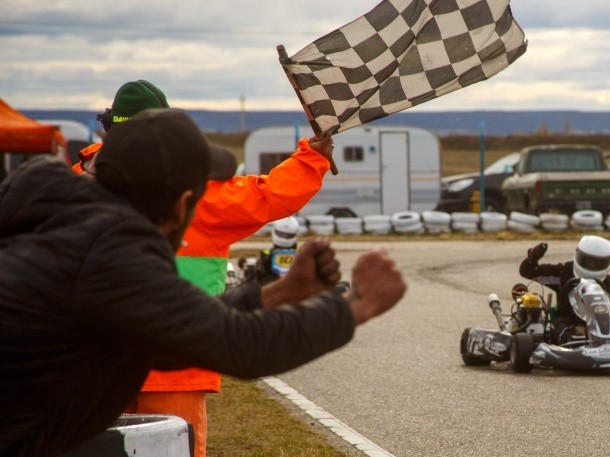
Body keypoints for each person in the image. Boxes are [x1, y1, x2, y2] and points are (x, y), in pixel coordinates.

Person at [0, 109, 405, 457]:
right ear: (180, 207)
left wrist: (280, 293)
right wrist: (358, 306)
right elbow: (240, 345)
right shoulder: (109, 253)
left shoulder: (71, 228)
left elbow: (175, 328)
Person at [77, 80, 334, 457]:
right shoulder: (199, 190)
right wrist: (312, 157)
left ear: (109, 129)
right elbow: (268, 195)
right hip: (177, 361)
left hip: (88, 364)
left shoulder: (73, 183)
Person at [518, 236, 610, 345]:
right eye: (589, 261)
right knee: (560, 324)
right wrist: (532, 259)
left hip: (600, 322)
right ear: (579, 255)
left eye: (598, 263)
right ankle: (571, 344)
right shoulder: (564, 273)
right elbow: (527, 271)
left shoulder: (609, 283)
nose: (593, 265)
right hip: (569, 320)